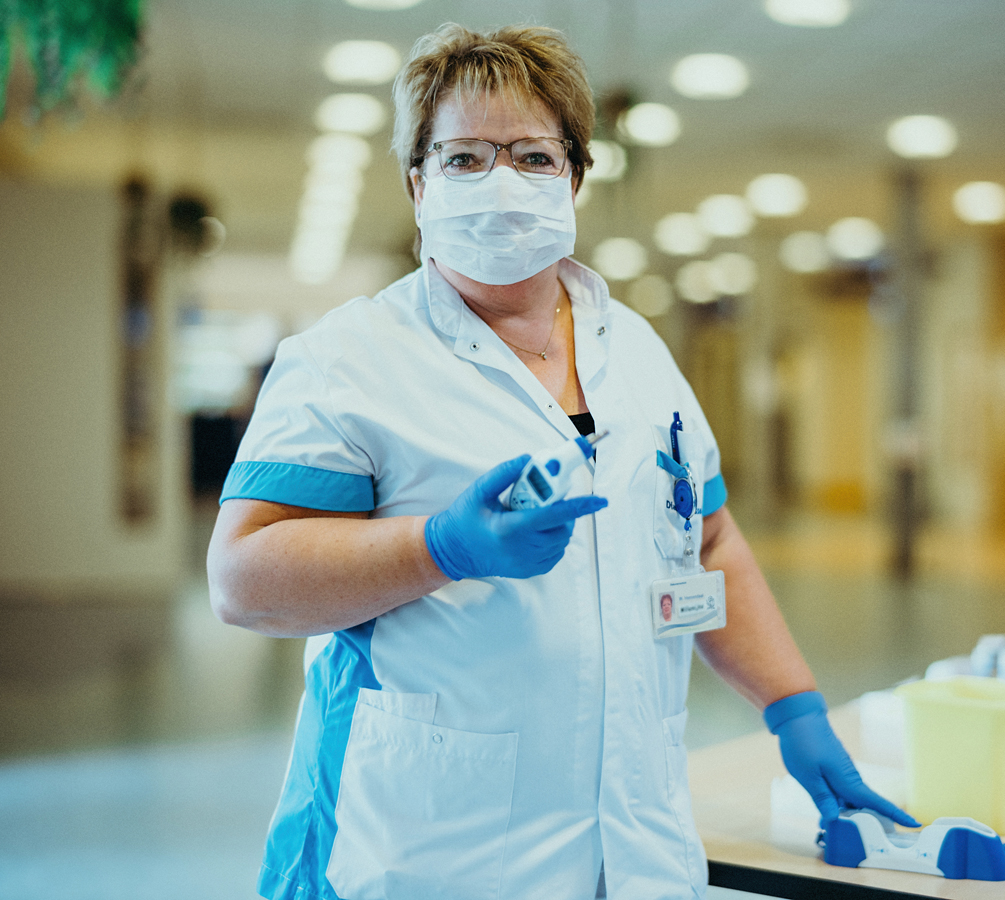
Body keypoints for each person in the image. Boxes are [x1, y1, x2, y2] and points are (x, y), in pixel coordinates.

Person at [207, 22, 917, 900]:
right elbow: (243, 577)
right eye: (465, 157)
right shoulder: (347, 359)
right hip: (429, 855)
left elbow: (709, 537)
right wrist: (441, 547)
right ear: (417, 183)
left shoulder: (640, 351)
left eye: (533, 157)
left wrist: (794, 708)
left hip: (638, 844)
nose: (500, 181)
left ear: (577, 176)